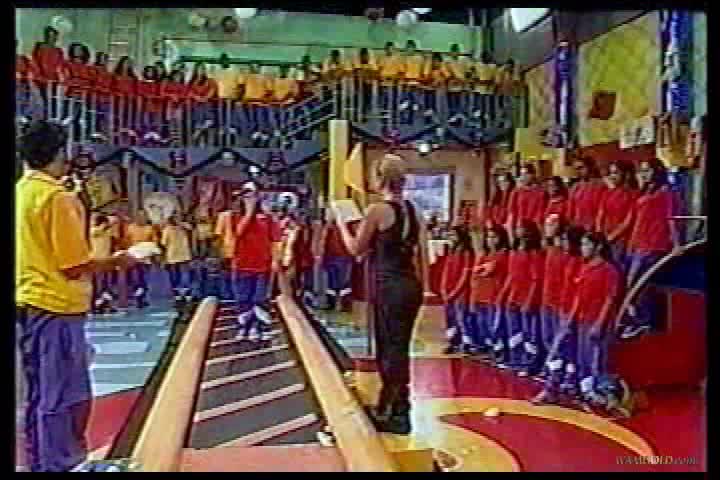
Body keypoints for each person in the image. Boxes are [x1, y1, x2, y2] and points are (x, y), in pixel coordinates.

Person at [16, 120, 136, 472]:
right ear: (59, 153)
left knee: (39, 393)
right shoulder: (57, 198)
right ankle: (64, 464)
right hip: (57, 305)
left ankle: (42, 462)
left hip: (29, 302)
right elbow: (73, 265)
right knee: (65, 394)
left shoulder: (23, 191)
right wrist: (123, 259)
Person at [334, 153, 430, 435]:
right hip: (410, 285)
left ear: (380, 178)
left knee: (389, 350)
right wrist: (425, 289)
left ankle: (395, 413)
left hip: (389, 287)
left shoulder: (377, 211)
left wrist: (342, 224)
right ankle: (395, 406)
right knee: (399, 348)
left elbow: (355, 249)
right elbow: (422, 255)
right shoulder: (414, 211)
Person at [620, 159, 679, 339]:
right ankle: (636, 318)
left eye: (647, 170)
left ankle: (641, 321)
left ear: (657, 171)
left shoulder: (666, 192)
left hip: (653, 244)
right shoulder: (644, 191)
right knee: (630, 284)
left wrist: (676, 244)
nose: (644, 174)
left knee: (635, 284)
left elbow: (672, 218)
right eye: (642, 171)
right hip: (635, 243)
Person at [572, 232, 622, 409]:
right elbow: (579, 296)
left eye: (586, 244)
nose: (582, 248)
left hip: (598, 323)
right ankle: (589, 394)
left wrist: (599, 324)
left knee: (600, 360)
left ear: (598, 247)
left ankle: (610, 397)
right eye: (582, 244)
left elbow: (609, 299)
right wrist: (572, 318)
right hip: (583, 320)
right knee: (584, 359)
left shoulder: (609, 270)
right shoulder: (584, 267)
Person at [494, 220, 543, 374]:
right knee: (514, 333)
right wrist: (504, 293)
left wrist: (529, 300)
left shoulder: (534, 253)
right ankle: (515, 360)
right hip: (513, 297)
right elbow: (511, 275)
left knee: (528, 334)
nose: (517, 230)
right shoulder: (514, 250)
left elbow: (536, 279)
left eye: (520, 228)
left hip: (526, 299)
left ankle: (529, 364)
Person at [233, 182, 279, 341]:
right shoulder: (233, 216)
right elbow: (239, 232)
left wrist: (276, 260)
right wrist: (249, 212)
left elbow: (275, 240)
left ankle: (260, 327)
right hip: (242, 265)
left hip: (263, 266)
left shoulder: (268, 218)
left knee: (260, 299)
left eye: (252, 194)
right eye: (246, 195)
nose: (249, 198)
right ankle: (243, 327)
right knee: (243, 298)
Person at [469, 223, 511, 358]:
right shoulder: (485, 254)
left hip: (494, 297)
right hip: (481, 296)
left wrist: (480, 269)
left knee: (495, 327)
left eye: (494, 237)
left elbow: (488, 270)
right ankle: (488, 349)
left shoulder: (503, 254)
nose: (490, 240)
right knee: (484, 326)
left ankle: (499, 352)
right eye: (488, 237)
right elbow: (475, 272)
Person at [595, 160, 640, 272]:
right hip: (604, 239)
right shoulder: (607, 193)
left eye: (616, 173)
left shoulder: (633, 194)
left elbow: (628, 222)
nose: (612, 176)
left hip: (621, 241)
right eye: (611, 173)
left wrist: (611, 238)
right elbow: (600, 215)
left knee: (616, 270)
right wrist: (599, 235)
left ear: (625, 174)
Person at [537, 214, 566, 379]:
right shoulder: (548, 250)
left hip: (559, 303)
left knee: (558, 340)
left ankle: (557, 373)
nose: (547, 227)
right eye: (546, 224)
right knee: (547, 337)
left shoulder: (565, 252)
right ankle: (551, 368)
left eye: (551, 224)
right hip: (546, 299)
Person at [440, 224, 474, 354]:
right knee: (450, 318)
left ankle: (467, 344)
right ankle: (453, 342)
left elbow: (465, 275)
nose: (451, 237)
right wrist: (443, 289)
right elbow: (446, 272)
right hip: (448, 291)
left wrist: (455, 292)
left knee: (462, 318)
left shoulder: (466, 253)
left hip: (461, 293)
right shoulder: (451, 251)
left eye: (453, 235)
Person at [318, 211, 356, 312]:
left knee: (344, 283)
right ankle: (332, 303)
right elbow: (323, 241)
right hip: (332, 257)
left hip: (343, 257)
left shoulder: (347, 225)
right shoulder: (329, 227)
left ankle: (344, 304)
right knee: (332, 283)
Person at [124, 210, 157, 308]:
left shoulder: (150, 228)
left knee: (144, 279)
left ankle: (142, 298)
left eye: (143, 216)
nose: (141, 218)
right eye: (139, 216)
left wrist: (151, 252)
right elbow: (126, 241)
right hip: (133, 257)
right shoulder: (130, 228)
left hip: (146, 258)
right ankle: (138, 297)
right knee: (135, 278)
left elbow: (154, 241)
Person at [161, 213, 194, 305]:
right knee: (174, 277)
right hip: (172, 257)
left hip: (184, 255)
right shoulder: (167, 229)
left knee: (185, 275)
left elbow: (190, 228)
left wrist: (180, 224)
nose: (177, 219)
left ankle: (187, 294)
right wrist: (164, 259)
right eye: (175, 218)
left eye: (178, 217)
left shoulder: (184, 226)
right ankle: (177, 295)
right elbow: (163, 243)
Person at [32, 26, 65, 119]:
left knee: (52, 100)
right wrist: (39, 75)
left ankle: (51, 119)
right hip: (41, 79)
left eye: (54, 36)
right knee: (41, 99)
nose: (52, 38)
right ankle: (41, 118)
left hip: (53, 80)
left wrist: (60, 77)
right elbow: (35, 62)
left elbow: (60, 65)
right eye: (50, 36)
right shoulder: (40, 47)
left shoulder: (59, 51)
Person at [215, 193, 243, 299]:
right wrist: (219, 252)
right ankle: (226, 295)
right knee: (225, 273)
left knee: (238, 274)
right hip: (226, 250)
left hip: (242, 252)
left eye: (240, 202)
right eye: (235, 201)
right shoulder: (223, 216)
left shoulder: (245, 216)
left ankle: (237, 295)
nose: (237, 204)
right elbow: (218, 235)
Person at [507, 164, 548, 237]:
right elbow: (511, 215)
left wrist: (543, 237)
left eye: (526, 174)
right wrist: (512, 236)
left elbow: (540, 217)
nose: (523, 177)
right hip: (519, 230)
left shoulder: (541, 192)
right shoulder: (516, 192)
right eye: (522, 174)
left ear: (533, 175)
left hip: (535, 230)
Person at [567, 156, 607, 231]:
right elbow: (570, 209)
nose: (578, 171)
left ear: (590, 167)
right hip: (577, 227)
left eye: (581, 168)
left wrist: (595, 226)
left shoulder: (600, 185)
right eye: (576, 169)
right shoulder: (575, 186)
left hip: (593, 228)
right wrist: (571, 223)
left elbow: (602, 209)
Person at [89, 214, 118, 314]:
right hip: (95, 261)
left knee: (105, 285)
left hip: (106, 261)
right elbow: (101, 228)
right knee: (97, 285)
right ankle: (94, 306)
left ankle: (105, 305)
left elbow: (114, 221)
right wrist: (106, 224)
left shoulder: (107, 232)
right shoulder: (93, 231)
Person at [377, 42, 405, 118]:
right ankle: (384, 115)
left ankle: (395, 115)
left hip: (393, 83)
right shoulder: (381, 58)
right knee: (384, 100)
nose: (389, 50)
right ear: (385, 49)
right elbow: (379, 70)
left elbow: (401, 72)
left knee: (394, 100)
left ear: (394, 49)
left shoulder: (398, 59)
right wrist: (381, 78)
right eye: (388, 49)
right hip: (383, 83)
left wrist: (394, 78)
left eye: (391, 49)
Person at [399, 40, 425, 124]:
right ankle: (402, 118)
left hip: (416, 83)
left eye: (411, 47)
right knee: (404, 102)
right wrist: (404, 79)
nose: (409, 49)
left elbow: (422, 71)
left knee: (414, 102)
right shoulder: (403, 58)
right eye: (408, 48)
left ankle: (411, 118)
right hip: (406, 83)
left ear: (414, 48)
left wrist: (420, 81)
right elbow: (401, 71)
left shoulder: (419, 58)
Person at [421, 52, 449, 122]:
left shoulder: (442, 68)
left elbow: (447, 76)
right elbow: (426, 78)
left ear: (440, 61)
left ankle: (439, 120)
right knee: (430, 106)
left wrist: (439, 81)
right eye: (434, 61)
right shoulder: (431, 69)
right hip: (431, 90)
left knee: (439, 106)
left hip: (440, 90)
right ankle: (430, 120)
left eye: (437, 61)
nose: (435, 62)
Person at [446, 44, 470, 123]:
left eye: (457, 51)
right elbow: (446, 73)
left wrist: (465, 80)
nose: (455, 53)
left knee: (459, 102)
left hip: (461, 86)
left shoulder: (463, 60)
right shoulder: (447, 61)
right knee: (451, 104)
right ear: (451, 52)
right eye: (454, 51)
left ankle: (459, 117)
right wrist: (452, 79)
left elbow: (468, 72)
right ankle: (452, 117)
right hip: (451, 86)